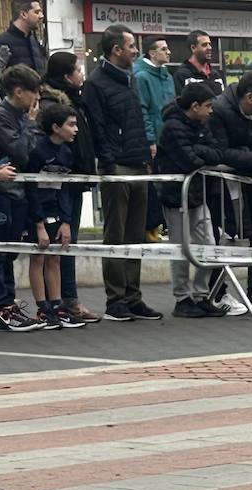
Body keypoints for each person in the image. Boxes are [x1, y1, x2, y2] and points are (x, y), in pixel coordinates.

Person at [84, 24, 160, 321]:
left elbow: (138, 120)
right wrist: (109, 161)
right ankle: (115, 299)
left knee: (135, 235)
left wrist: (145, 154)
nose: (136, 51)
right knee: (115, 235)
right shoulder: (96, 83)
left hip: (138, 162)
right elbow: (97, 128)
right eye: (131, 46)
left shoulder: (130, 79)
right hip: (117, 166)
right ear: (116, 50)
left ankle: (133, 296)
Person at [38, 51, 98, 323]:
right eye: (78, 70)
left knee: (68, 241)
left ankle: (68, 299)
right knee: (61, 242)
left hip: (76, 179)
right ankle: (61, 302)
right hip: (62, 180)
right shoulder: (53, 103)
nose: (82, 74)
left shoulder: (77, 99)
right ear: (66, 75)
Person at [155, 84, 224, 318]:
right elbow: (189, 161)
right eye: (208, 106)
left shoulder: (201, 124)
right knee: (181, 248)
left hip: (197, 194)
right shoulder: (172, 127)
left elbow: (217, 153)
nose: (211, 111)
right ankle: (182, 297)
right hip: (177, 197)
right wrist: (201, 152)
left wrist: (199, 150)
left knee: (209, 244)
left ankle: (201, 294)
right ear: (194, 106)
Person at [208, 69, 252, 314]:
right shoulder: (220, 111)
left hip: (246, 180)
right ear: (248, 96)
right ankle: (217, 292)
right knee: (221, 235)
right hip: (219, 184)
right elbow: (221, 152)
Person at [25, 102, 81, 328]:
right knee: (38, 256)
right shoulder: (37, 150)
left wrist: (65, 221)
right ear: (56, 128)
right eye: (71, 125)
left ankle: (57, 306)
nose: (76, 129)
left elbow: (64, 189)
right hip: (35, 211)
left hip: (56, 212)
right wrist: (38, 224)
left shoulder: (66, 153)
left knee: (55, 257)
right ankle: (42, 308)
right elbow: (30, 187)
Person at [0, 63, 37, 330]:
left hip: (17, 192)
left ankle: (7, 304)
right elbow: (22, 152)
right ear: (18, 91)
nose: (36, 98)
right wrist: (31, 125)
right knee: (2, 252)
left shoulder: (20, 116)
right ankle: (4, 306)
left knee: (9, 252)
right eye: (33, 91)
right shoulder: (4, 117)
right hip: (4, 193)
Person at [133, 37, 174, 242]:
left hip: (169, 138)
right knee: (154, 184)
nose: (169, 52)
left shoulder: (167, 76)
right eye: (164, 49)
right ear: (151, 53)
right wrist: (150, 139)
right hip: (154, 140)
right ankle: (150, 226)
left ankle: (163, 225)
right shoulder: (141, 76)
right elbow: (144, 110)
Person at [0, 0, 43, 74]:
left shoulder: (34, 41)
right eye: (37, 12)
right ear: (24, 14)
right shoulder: (1, 42)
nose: (41, 16)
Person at [173, 30, 224, 95]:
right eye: (204, 45)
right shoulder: (182, 75)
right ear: (193, 48)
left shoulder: (216, 75)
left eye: (209, 44)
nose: (209, 48)